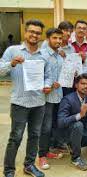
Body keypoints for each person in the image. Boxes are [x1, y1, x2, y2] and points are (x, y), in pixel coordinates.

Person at [0, 19, 51, 177]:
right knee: (16, 137)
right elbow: (1, 70)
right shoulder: (13, 51)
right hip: (20, 102)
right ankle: (9, 170)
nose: (34, 35)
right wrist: (12, 63)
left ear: (40, 36)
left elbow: (48, 76)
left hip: (39, 103)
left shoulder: (44, 55)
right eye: (32, 31)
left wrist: (47, 85)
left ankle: (29, 165)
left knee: (35, 135)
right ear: (25, 32)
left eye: (38, 33)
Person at [57, 73, 87, 171]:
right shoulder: (67, 99)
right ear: (76, 85)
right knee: (78, 125)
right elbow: (61, 122)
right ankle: (75, 158)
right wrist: (80, 115)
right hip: (67, 134)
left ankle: (75, 146)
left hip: (81, 132)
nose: (85, 86)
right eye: (83, 83)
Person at [38, 28, 64, 170]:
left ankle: (47, 151)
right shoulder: (42, 55)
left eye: (60, 38)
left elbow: (62, 75)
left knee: (53, 126)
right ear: (48, 39)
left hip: (57, 97)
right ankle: (41, 156)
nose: (58, 41)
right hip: (45, 98)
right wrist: (46, 85)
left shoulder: (59, 56)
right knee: (45, 127)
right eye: (55, 38)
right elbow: (36, 76)